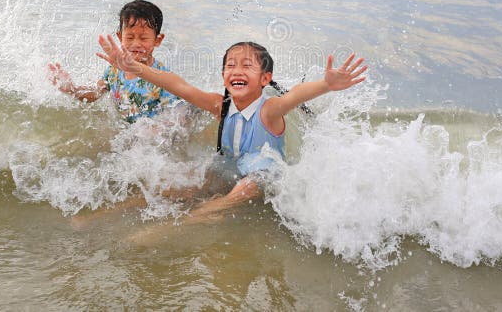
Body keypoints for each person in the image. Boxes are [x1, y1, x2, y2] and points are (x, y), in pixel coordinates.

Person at [97, 34, 367, 222]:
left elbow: (295, 95)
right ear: (224, 76)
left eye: (247, 66)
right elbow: (179, 86)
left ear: (265, 78)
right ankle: (113, 212)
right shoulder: (220, 106)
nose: (237, 70)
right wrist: (136, 68)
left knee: (243, 189)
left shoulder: (269, 110)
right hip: (228, 167)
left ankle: (189, 221)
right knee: (174, 187)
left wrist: (326, 85)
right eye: (230, 66)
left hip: (261, 176)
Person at [48, 0, 179, 122]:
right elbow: (95, 93)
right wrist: (73, 89)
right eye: (130, 37)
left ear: (157, 40)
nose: (136, 44)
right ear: (120, 36)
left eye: (143, 38)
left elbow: (175, 120)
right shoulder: (115, 70)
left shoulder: (163, 79)